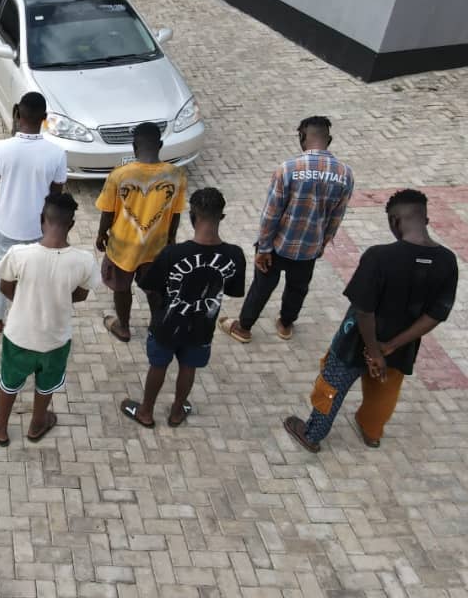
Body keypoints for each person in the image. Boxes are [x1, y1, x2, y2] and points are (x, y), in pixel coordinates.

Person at [284, 190, 457, 452]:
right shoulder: (447, 261)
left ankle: (312, 434)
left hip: (356, 342)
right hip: (402, 347)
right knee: (385, 391)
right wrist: (390, 347)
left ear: (394, 221)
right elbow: (436, 315)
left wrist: (374, 351)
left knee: (331, 385)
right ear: (426, 219)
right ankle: (371, 432)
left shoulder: (379, 257)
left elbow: (364, 310)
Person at [0, 193, 98, 446]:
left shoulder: (19, 254)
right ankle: (37, 424)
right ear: (71, 224)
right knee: (47, 384)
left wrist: (28, 297)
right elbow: (81, 295)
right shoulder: (84, 260)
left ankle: (0, 428)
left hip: (19, 336)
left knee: (8, 383)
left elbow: (6, 288)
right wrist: (56, 296)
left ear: (42, 220)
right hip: (56, 339)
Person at [120, 188, 246, 429]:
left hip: (167, 325)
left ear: (192, 216)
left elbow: (149, 287)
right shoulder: (235, 255)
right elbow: (232, 290)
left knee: (158, 366)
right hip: (202, 327)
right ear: (222, 217)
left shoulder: (173, 253)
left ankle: (146, 412)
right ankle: (177, 411)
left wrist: (160, 309)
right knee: (189, 367)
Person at [220, 116, 353, 344]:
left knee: (262, 288)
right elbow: (336, 217)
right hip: (309, 249)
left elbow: (271, 213)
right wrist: (322, 243)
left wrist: (263, 247)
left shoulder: (289, 169)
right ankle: (285, 324)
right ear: (328, 139)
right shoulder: (345, 174)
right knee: (298, 288)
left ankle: (243, 328)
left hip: (276, 246)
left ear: (302, 137)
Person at [0, 92, 67, 333]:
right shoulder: (57, 153)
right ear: (45, 118)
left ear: (17, 114)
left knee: (2, 268)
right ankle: (33, 319)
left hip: (6, 223)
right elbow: (56, 193)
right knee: (35, 272)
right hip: (39, 228)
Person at [95, 122, 187, 343]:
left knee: (121, 287)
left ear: (134, 146)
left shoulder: (119, 175)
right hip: (155, 247)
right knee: (154, 289)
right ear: (161, 144)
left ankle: (124, 327)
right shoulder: (176, 176)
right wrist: (171, 239)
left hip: (122, 247)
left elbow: (107, 212)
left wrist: (101, 234)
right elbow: (175, 214)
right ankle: (157, 328)